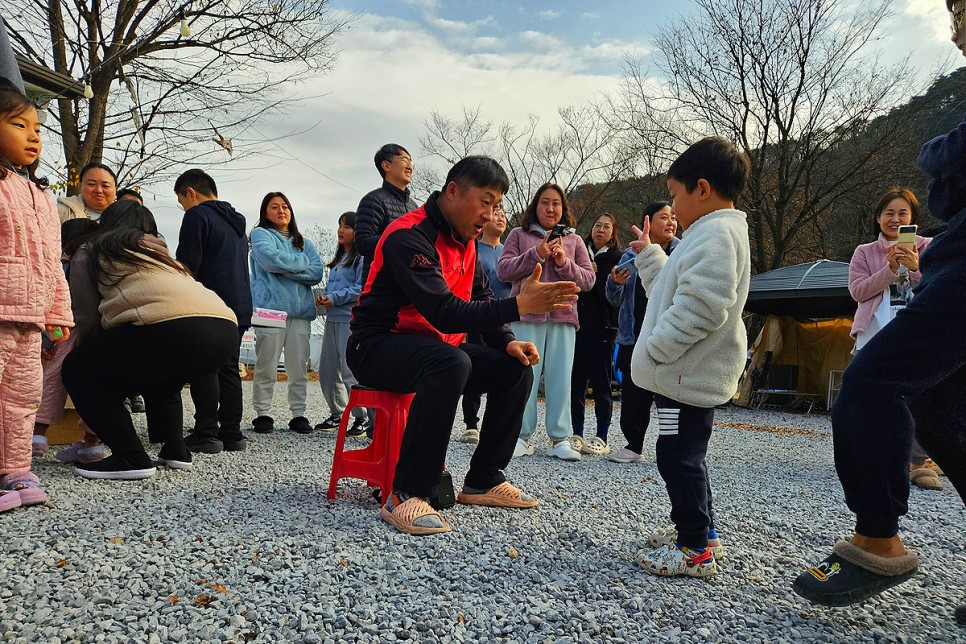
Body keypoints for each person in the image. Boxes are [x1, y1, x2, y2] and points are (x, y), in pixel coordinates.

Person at [793, 1, 966, 616]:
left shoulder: (926, 240)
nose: (955, 26)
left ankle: (877, 536)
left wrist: (924, 253)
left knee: (870, 384)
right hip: (901, 307)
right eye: (952, 13)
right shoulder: (868, 252)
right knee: (937, 401)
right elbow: (858, 293)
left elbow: (949, 167)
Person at [346, 155, 579, 536]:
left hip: (435, 348)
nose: (490, 214)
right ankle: (407, 493)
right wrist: (520, 304)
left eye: (497, 205)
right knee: (450, 362)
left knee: (516, 368)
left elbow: (483, 298)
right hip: (376, 346)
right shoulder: (410, 235)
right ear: (453, 191)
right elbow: (444, 311)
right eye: (485, 201)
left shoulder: (465, 241)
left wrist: (507, 341)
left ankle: (483, 479)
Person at [630, 136, 751, 578]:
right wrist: (649, 256)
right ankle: (700, 531)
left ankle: (694, 548)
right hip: (680, 378)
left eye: (675, 195)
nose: (673, 207)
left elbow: (702, 306)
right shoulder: (710, 232)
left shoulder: (716, 234)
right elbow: (673, 291)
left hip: (683, 376)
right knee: (684, 454)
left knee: (678, 457)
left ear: (702, 188)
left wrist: (657, 349)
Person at [63, 201, 238, 479]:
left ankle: (130, 457)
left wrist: (90, 358)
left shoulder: (92, 249)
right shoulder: (163, 256)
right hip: (224, 327)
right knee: (162, 378)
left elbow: (86, 315)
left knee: (77, 370)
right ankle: (175, 450)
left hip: (172, 326)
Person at [0, 79, 74, 511]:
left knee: (23, 395)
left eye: (38, 128)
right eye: (19, 124)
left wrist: (58, 311)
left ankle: (15, 469)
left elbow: (52, 261)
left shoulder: (44, 198)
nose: (33, 135)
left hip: (30, 317)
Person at [498, 183, 596, 462]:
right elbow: (504, 270)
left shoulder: (575, 241)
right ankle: (521, 436)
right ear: (535, 206)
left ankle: (560, 438)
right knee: (523, 376)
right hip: (526, 314)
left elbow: (589, 280)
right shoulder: (518, 235)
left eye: (556, 203)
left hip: (564, 316)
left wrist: (565, 263)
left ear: (564, 208)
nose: (551, 208)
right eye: (545, 202)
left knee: (561, 378)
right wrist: (538, 253)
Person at [848, 188, 938, 489]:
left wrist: (914, 269)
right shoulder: (864, 252)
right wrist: (888, 269)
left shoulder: (930, 247)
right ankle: (875, 457)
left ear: (913, 217)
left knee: (918, 398)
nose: (895, 219)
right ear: (878, 217)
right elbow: (858, 291)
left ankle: (917, 463)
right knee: (870, 398)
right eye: (889, 213)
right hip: (874, 333)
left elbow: (940, 288)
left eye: (902, 213)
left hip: (916, 334)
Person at [174, 169, 253, 453]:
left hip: (211, 302)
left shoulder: (197, 215)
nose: (183, 207)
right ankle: (232, 433)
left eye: (181, 201)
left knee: (205, 366)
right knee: (229, 366)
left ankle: (206, 432)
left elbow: (188, 264)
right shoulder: (235, 222)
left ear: (191, 193)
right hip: (241, 303)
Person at [605, 202, 679, 464]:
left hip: (670, 337)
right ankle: (633, 445)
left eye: (673, 217)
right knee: (634, 393)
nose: (671, 222)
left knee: (670, 395)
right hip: (634, 336)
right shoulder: (629, 255)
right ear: (647, 222)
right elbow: (613, 299)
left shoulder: (682, 253)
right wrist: (614, 283)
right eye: (664, 217)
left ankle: (673, 446)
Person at [32, 218, 108, 463]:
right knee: (98, 383)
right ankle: (91, 441)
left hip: (66, 328)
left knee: (53, 377)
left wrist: (46, 341)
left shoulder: (63, 264)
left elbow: (51, 303)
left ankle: (37, 435)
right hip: (99, 330)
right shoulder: (101, 261)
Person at [249, 192, 325, 434]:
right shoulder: (260, 235)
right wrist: (300, 262)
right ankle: (262, 413)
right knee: (266, 364)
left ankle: (299, 414)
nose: (281, 211)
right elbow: (271, 262)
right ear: (265, 212)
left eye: (285, 207)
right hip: (269, 309)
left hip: (300, 311)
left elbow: (316, 274)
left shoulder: (305, 243)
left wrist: (286, 268)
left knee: (298, 366)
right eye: (274, 207)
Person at [570, 212, 622, 456]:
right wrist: (584, 270)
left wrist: (597, 274)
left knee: (602, 384)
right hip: (576, 327)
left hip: (603, 328)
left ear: (613, 233)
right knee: (576, 383)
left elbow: (614, 297)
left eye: (607, 227)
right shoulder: (578, 253)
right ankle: (576, 432)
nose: (601, 230)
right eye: (597, 225)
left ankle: (602, 436)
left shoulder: (617, 258)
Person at [459, 204, 511, 444]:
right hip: (477, 315)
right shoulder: (473, 249)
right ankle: (471, 422)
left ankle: (497, 425)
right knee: (475, 366)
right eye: (496, 213)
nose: (499, 217)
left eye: (503, 214)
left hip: (505, 318)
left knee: (504, 366)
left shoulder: (509, 251)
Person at [314, 211, 367, 437]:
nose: (341, 230)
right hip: (331, 320)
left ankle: (361, 417)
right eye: (340, 226)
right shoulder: (337, 262)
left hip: (349, 321)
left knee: (349, 371)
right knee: (327, 370)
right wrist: (324, 297)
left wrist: (334, 298)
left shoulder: (361, 258)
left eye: (347, 227)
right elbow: (333, 289)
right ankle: (337, 413)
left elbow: (360, 288)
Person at [355, 143, 418, 280]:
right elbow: (362, 243)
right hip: (380, 284)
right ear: (386, 166)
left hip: (408, 282)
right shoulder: (373, 200)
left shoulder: (414, 206)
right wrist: (400, 239)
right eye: (404, 160)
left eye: (411, 161)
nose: (409, 166)